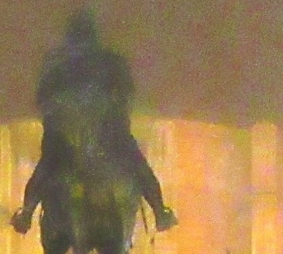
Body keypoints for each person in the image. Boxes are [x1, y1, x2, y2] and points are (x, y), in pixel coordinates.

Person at [12, 8, 176, 235]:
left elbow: (43, 97)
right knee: (136, 165)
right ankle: (160, 212)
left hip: (68, 133)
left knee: (47, 167)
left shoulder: (55, 62)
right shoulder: (111, 59)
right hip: (107, 132)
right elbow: (127, 93)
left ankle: (26, 215)